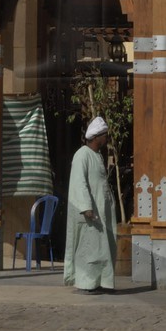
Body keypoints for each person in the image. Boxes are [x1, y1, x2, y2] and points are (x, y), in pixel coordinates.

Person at [64, 116, 117, 295]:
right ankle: (86, 283)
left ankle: (98, 282)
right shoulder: (82, 155)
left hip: (100, 213)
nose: (106, 138)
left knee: (101, 249)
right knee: (88, 250)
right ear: (97, 137)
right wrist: (86, 207)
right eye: (105, 135)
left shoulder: (97, 155)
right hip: (88, 213)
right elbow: (79, 183)